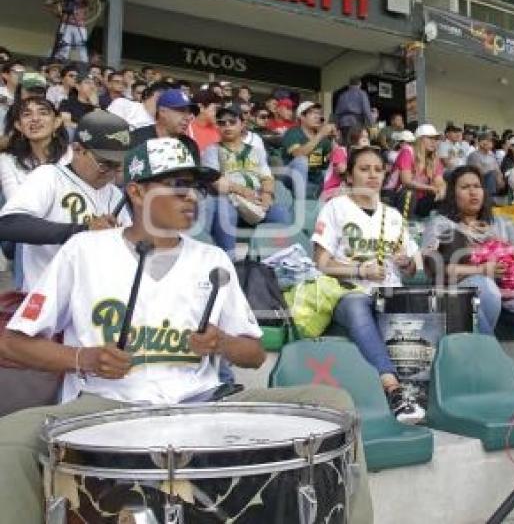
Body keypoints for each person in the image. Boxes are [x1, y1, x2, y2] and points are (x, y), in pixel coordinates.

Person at [0, 135, 372, 524]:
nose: (191, 196)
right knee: (9, 437)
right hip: (106, 405)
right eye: (176, 185)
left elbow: (254, 353)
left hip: (202, 402)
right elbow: (12, 343)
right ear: (137, 191)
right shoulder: (84, 251)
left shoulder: (212, 259)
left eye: (195, 187)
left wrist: (222, 343)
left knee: (334, 403)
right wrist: (83, 358)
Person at [312, 147, 423, 423]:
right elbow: (321, 263)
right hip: (348, 291)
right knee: (358, 305)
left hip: (389, 290)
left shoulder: (394, 215)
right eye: (364, 169)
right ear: (349, 175)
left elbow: (411, 270)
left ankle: (424, 391)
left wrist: (407, 261)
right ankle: (393, 389)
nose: (372, 175)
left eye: (377, 169)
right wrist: (360, 269)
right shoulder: (335, 207)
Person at [0, 111, 129, 291]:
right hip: (46, 301)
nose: (110, 172)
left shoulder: (115, 194)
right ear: (77, 149)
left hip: (91, 301)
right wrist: (83, 229)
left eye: (117, 165)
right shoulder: (49, 176)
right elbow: (8, 224)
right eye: (104, 163)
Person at [422, 165, 514, 336]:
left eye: (477, 186)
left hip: (511, 295)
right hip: (460, 294)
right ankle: (488, 348)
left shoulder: (500, 222)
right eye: (465, 187)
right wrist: (482, 270)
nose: (473, 192)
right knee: (483, 284)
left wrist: (505, 248)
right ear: (452, 195)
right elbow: (435, 269)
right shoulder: (441, 224)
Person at [202, 106, 287, 257]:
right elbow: (216, 182)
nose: (227, 126)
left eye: (232, 122)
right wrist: (244, 191)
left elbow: (267, 177)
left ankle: (280, 260)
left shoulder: (256, 151)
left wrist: (266, 195)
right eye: (222, 123)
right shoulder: (212, 150)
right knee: (224, 209)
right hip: (230, 201)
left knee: (280, 212)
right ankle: (229, 261)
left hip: (255, 203)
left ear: (242, 124)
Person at [278, 101, 335, 201]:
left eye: (319, 113)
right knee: (301, 161)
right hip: (291, 179)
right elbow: (298, 154)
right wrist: (320, 134)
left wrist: (335, 140)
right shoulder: (293, 132)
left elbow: (328, 164)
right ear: (302, 117)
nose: (318, 116)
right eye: (313, 113)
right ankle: (301, 204)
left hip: (314, 181)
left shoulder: (324, 140)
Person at [392, 123, 445, 218]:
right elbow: (406, 182)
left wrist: (441, 189)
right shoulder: (407, 152)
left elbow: (439, 181)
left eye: (436, 139)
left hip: (421, 200)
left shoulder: (435, 159)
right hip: (398, 197)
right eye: (430, 138)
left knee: (447, 194)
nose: (434, 142)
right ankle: (404, 225)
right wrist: (431, 188)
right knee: (409, 194)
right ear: (420, 139)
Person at [322, 125, 369, 201]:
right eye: (362, 137)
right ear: (354, 138)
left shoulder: (365, 157)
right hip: (333, 191)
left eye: (367, 137)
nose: (365, 140)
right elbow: (342, 170)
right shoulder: (341, 151)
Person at [466, 129, 505, 198]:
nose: (491, 143)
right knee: (491, 175)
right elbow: (479, 172)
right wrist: (495, 174)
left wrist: (500, 178)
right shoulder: (474, 155)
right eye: (488, 140)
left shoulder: (491, 155)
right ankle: (490, 199)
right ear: (480, 142)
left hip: (492, 181)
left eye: (491, 141)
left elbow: (498, 170)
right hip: (479, 181)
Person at [188, 89, 222, 154]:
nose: (217, 113)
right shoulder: (187, 130)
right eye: (214, 109)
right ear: (201, 107)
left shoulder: (219, 130)